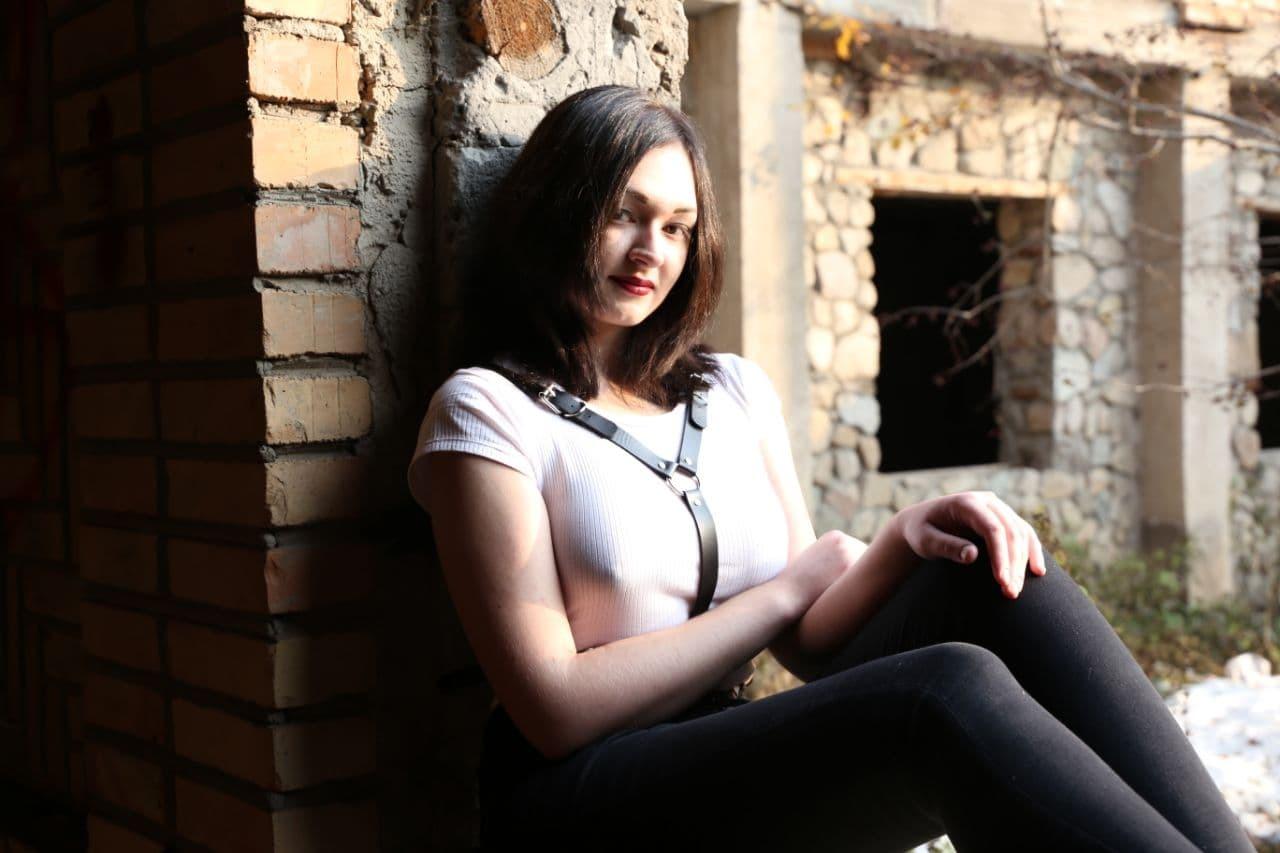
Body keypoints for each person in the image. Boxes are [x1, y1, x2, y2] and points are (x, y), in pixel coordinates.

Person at [407, 85, 1253, 852]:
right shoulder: (487, 412)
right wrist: (777, 596)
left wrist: (902, 542)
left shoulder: (729, 390)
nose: (650, 251)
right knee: (944, 690)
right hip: (583, 790)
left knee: (995, 574)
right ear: (558, 210)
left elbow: (813, 637)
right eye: (623, 215)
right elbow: (553, 709)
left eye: (676, 227)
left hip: (722, 748)